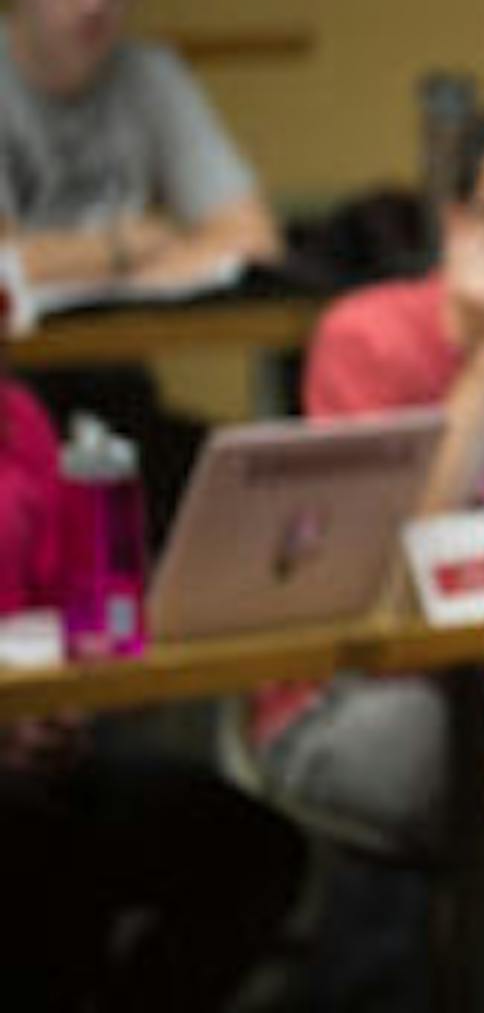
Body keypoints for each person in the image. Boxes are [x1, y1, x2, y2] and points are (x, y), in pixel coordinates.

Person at [243, 102, 484, 1010]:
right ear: (455, 225)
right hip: (360, 678)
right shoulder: (366, 332)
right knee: (448, 756)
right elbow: (382, 578)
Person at [0, 369, 305, 1011]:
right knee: (41, 862)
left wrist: (65, 701)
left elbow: (65, 605)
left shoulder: (15, 414)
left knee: (246, 849)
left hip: (37, 748)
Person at [0, 0, 278, 294]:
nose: (95, 0)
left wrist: (61, 261)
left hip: (112, 352)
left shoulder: (152, 76)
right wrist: (122, 248)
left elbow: (253, 238)